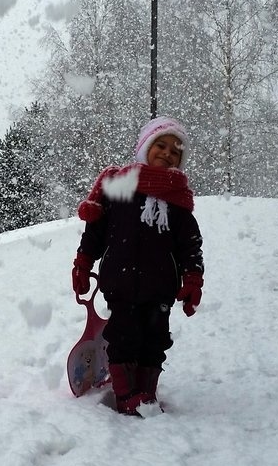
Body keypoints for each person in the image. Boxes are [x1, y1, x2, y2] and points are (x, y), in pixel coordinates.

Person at [71, 115, 204, 415]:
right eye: (162, 145)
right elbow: (96, 231)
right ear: (146, 147)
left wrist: (193, 279)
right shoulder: (121, 188)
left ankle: (147, 392)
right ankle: (124, 394)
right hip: (120, 283)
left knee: (155, 340)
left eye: (176, 150)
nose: (168, 153)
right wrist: (82, 263)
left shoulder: (178, 202)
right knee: (123, 338)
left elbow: (190, 245)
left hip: (160, 288)